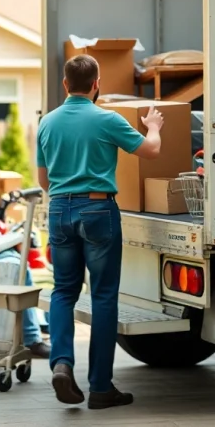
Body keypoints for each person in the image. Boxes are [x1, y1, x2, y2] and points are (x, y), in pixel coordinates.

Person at [36, 54, 164, 410]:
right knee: (103, 297)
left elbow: (43, 181)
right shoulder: (107, 119)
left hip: (59, 209)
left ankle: (62, 363)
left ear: (65, 84)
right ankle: (101, 388)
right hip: (98, 211)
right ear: (96, 85)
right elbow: (152, 151)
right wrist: (153, 125)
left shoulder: (47, 123)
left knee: (64, 291)